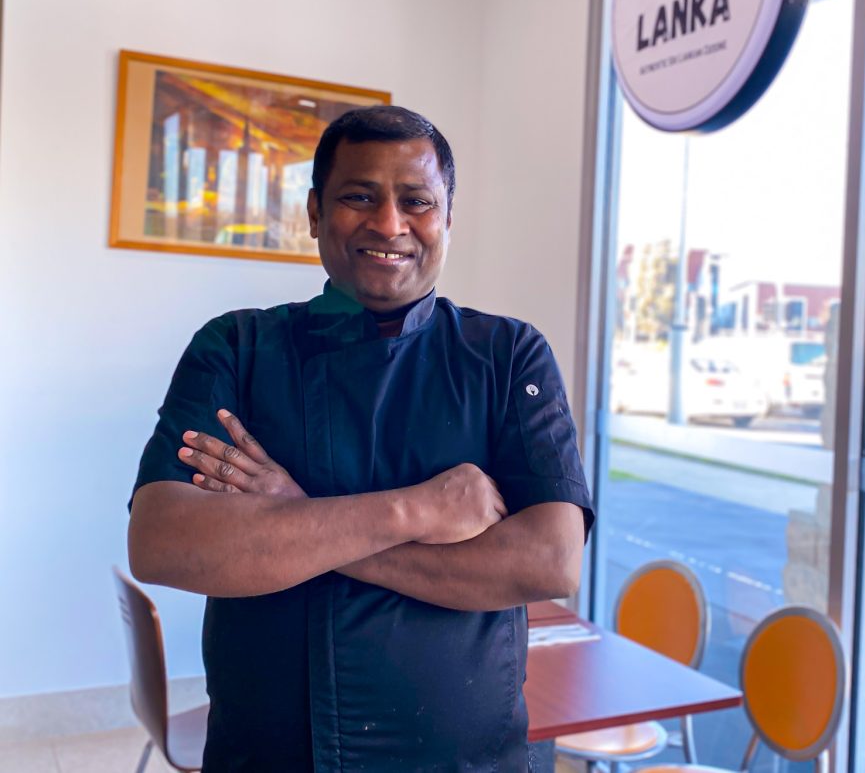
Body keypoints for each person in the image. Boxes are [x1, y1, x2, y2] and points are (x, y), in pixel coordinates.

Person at [127, 105, 594, 772]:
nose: (389, 223)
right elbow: (162, 541)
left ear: (447, 219)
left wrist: (292, 512)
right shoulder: (236, 347)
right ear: (316, 212)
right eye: (359, 197)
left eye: (416, 201)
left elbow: (548, 562)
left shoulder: (508, 356)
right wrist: (417, 510)